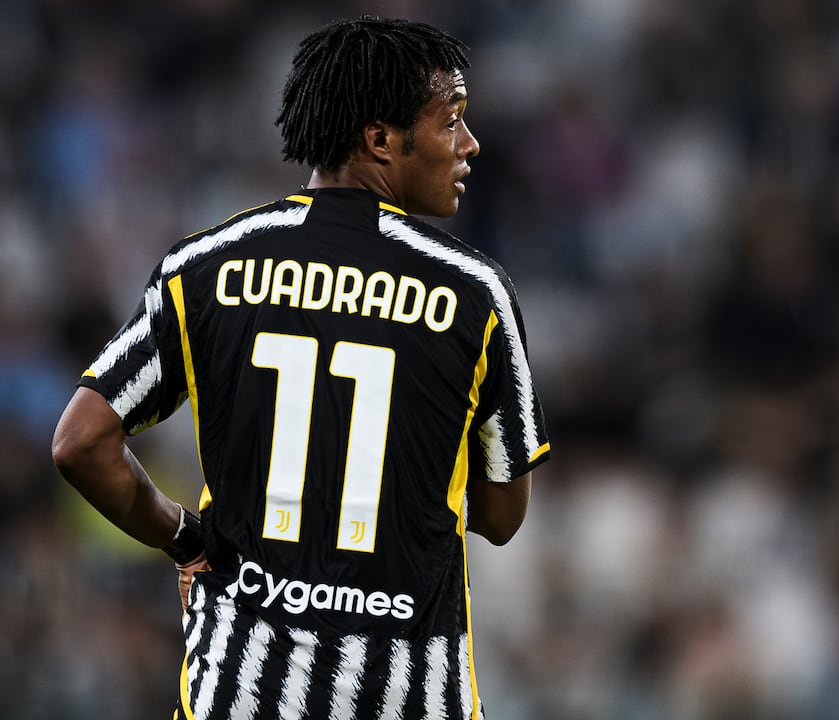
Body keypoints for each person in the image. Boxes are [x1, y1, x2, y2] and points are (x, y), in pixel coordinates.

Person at [50, 16, 550, 720]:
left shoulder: (205, 267)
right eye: (452, 122)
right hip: (409, 697)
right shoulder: (473, 293)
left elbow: (80, 442)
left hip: (240, 693)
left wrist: (186, 539)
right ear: (379, 139)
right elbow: (501, 516)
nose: (470, 144)